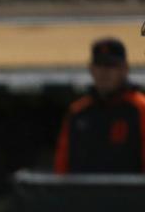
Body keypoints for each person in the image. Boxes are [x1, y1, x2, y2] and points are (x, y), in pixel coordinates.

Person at [55, 37, 145, 174]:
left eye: (111, 65)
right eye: (99, 65)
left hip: (130, 194)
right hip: (84, 194)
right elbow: (62, 165)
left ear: (124, 69)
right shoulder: (78, 112)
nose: (104, 71)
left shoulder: (140, 108)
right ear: (91, 69)